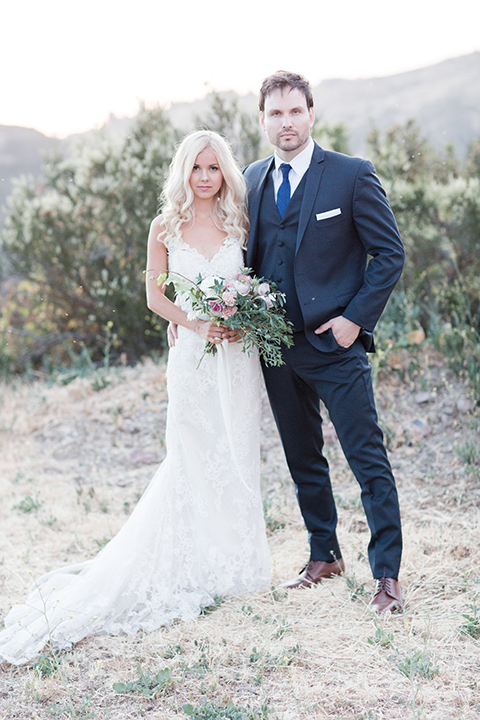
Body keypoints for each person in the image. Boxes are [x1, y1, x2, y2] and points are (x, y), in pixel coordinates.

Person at [0, 130, 270, 666]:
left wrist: (242, 318)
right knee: (192, 457)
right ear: (182, 171)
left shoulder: (238, 218)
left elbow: (253, 280)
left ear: (225, 174)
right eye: (197, 167)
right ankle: (189, 564)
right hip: (192, 358)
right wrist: (195, 323)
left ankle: (235, 565)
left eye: (214, 168)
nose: (205, 177)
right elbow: (153, 294)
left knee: (236, 454)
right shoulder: (164, 226)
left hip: (239, 361)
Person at [244, 71, 405, 613]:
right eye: (275, 114)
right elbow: (245, 259)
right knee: (302, 458)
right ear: (263, 120)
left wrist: (354, 321)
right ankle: (324, 554)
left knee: (367, 458)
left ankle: (386, 576)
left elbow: (390, 254)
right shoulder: (251, 179)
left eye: (295, 111)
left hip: (336, 347)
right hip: (276, 349)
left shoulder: (352, 175)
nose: (286, 122)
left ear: (311, 114)